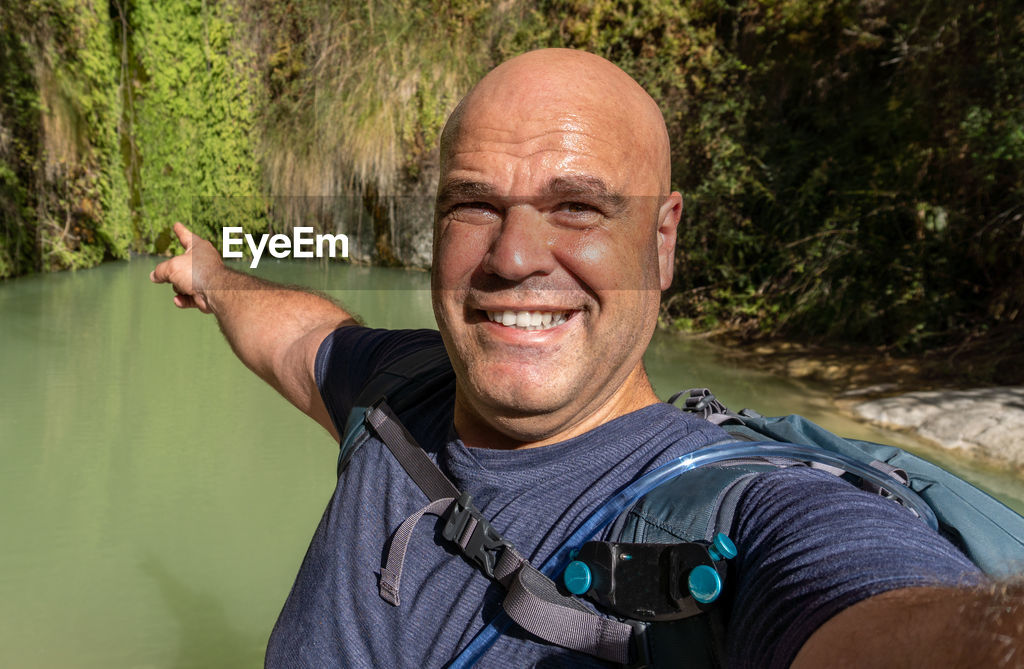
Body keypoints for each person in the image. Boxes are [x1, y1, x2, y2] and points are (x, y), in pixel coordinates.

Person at [150, 49, 1020, 667]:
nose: (515, 255)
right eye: (474, 203)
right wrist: (214, 276)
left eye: (577, 207)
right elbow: (301, 336)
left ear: (663, 238)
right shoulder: (395, 388)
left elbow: (889, 614)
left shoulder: (748, 513)